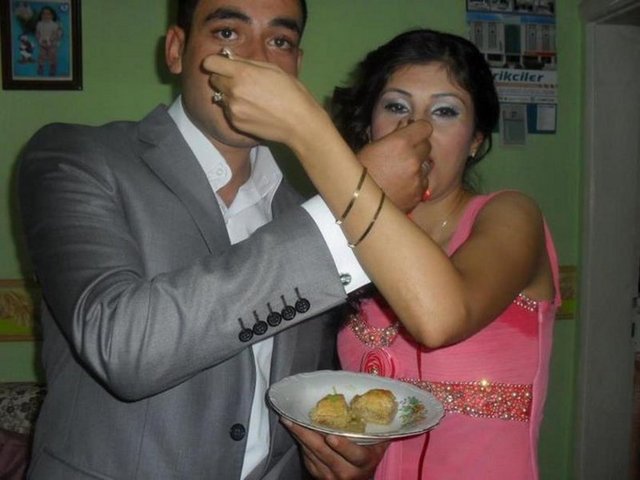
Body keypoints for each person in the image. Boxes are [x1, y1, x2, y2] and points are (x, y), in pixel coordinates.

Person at [18, 1, 433, 479]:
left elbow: (296, 395)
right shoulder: (75, 158)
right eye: (228, 33)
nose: (255, 60)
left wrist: (337, 452)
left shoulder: (302, 211)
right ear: (176, 50)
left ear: (296, 66)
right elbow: (125, 347)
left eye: (279, 41)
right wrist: (351, 204)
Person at [202, 29, 560, 480]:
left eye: (445, 111)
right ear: (371, 127)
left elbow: (440, 317)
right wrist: (350, 461)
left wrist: (307, 130)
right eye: (396, 107)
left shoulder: (512, 215)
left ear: (475, 139)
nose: (416, 130)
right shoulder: (343, 242)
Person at [35, 6, 62, 76]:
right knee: (42, 55)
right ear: (41, 15)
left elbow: (56, 34)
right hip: (42, 43)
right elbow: (37, 33)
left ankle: (53, 67)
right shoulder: (39, 24)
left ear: (52, 16)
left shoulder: (54, 24)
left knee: (52, 56)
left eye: (48, 14)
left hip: (52, 43)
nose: (45, 16)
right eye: (43, 14)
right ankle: (40, 66)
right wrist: (39, 39)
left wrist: (50, 40)